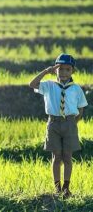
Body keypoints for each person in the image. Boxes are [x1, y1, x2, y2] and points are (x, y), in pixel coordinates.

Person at [29, 54, 88, 197]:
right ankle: (57, 187)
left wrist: (74, 122)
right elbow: (32, 84)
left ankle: (66, 187)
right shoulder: (49, 85)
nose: (64, 73)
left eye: (68, 70)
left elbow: (80, 108)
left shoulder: (76, 89)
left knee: (67, 156)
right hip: (53, 123)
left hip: (69, 123)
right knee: (56, 156)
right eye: (60, 69)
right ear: (55, 69)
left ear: (72, 71)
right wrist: (45, 71)